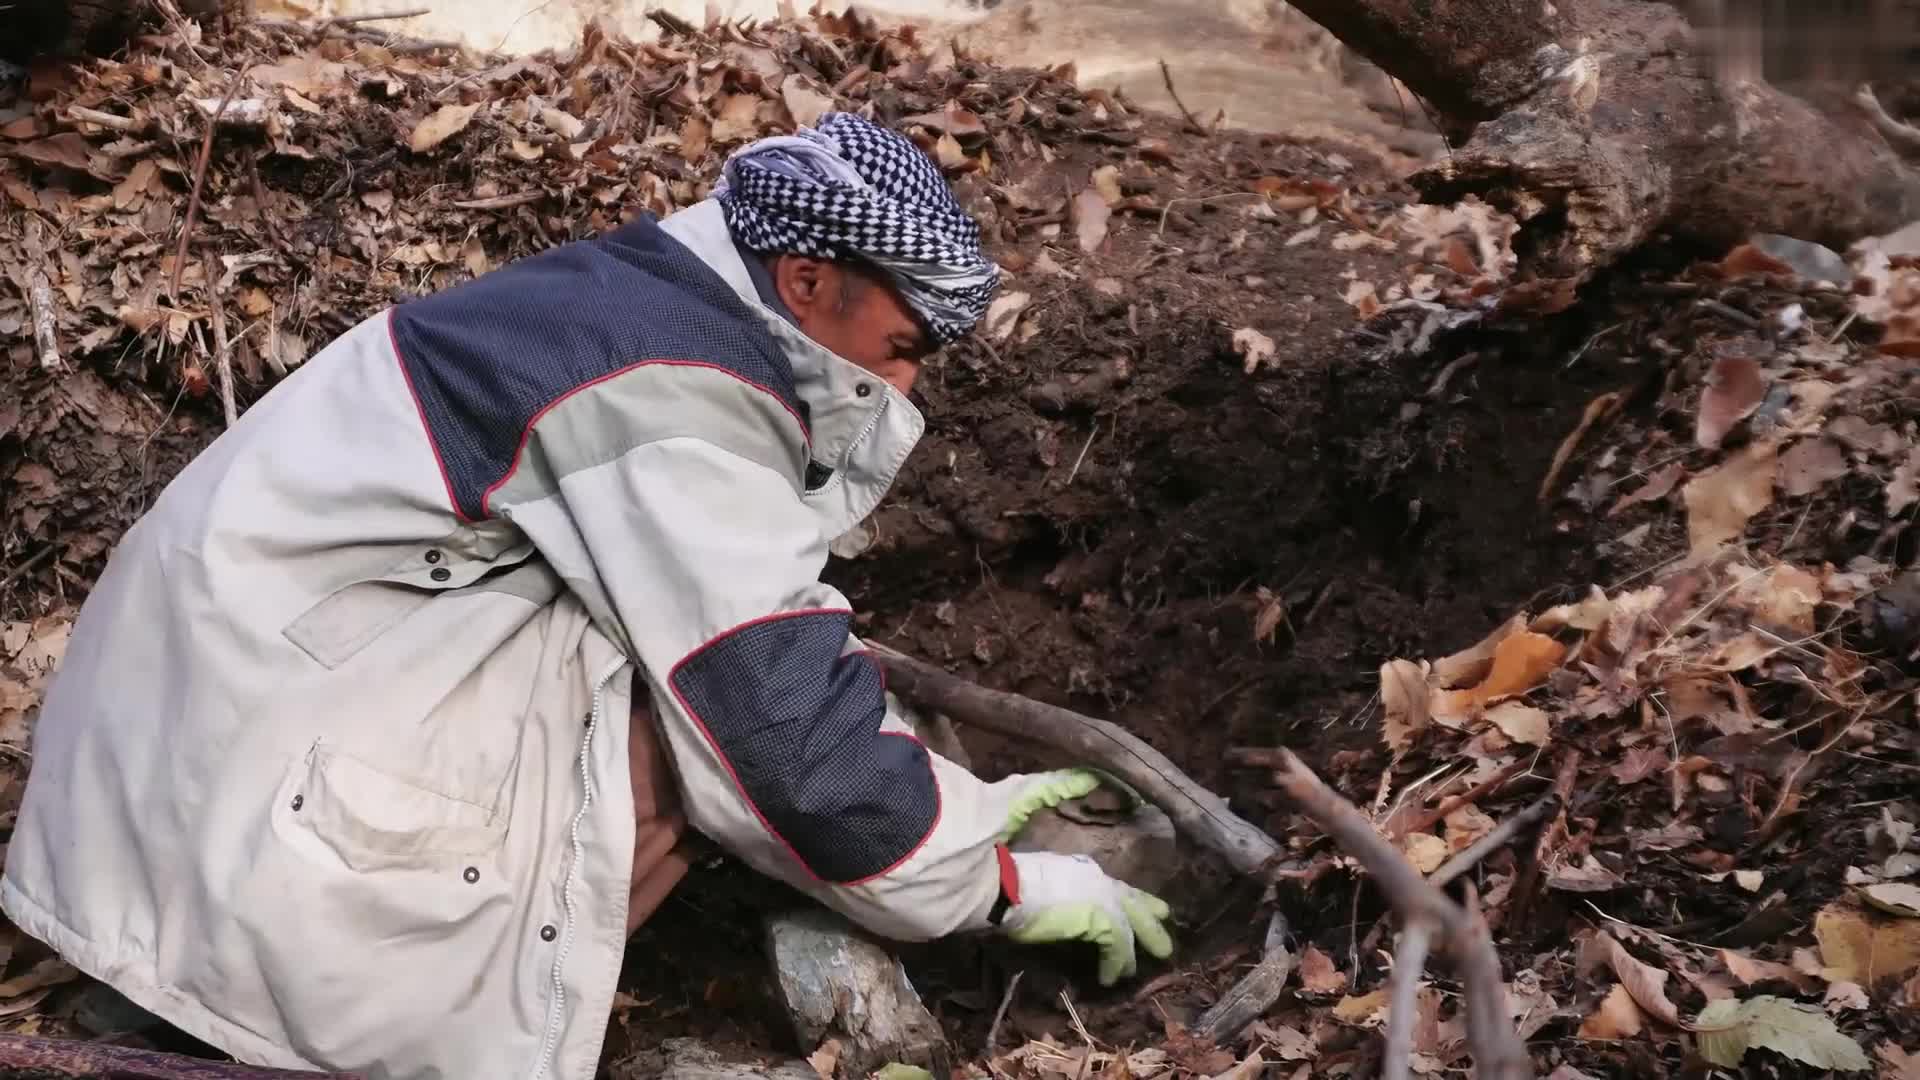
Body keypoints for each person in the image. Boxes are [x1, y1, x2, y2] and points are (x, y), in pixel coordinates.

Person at [0, 112, 1173, 1080]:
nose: (909, 382)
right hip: (222, 822)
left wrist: (941, 804)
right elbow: (778, 732)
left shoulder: (650, 295)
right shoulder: (674, 395)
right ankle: (385, 1031)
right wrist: (999, 880)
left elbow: (759, 635)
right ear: (808, 278)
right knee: (682, 736)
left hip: (195, 750)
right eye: (905, 345)